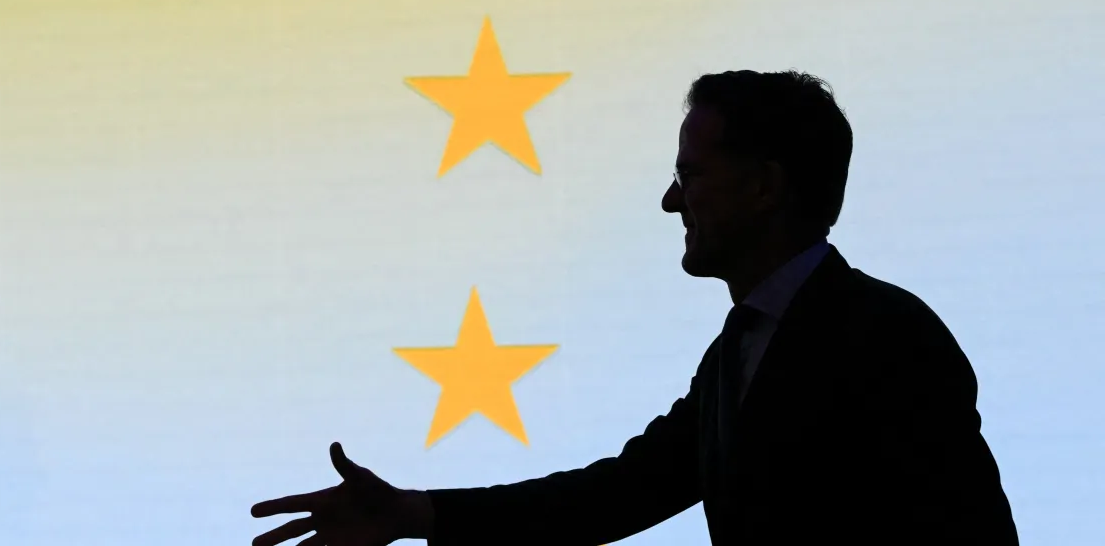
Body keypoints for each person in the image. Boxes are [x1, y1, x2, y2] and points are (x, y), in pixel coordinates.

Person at [251, 70, 1019, 545]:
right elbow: (616, 495)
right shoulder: (734, 359)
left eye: (691, 175)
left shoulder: (889, 338)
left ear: (764, 186)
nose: (670, 201)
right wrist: (415, 514)